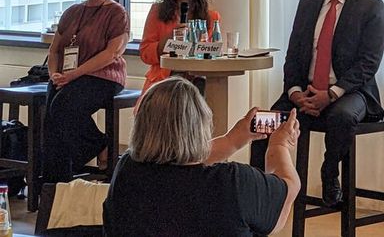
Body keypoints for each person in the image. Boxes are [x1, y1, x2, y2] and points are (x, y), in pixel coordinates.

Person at [250, 0, 384, 207]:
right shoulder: (308, 5)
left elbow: (369, 63)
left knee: (341, 117)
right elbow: (293, 57)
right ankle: (259, 192)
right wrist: (295, 93)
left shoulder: (370, 7)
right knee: (261, 122)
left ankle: (329, 172)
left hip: (351, 92)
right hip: (306, 92)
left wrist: (332, 94)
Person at [104, 77, 301, 236]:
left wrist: (231, 140)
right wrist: (279, 144)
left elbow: (177, 159)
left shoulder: (126, 170)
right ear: (201, 125)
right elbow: (288, 189)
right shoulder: (232, 182)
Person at [43, 0, 129, 182]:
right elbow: (55, 51)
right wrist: (54, 74)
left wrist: (74, 74)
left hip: (104, 76)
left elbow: (111, 53)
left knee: (63, 106)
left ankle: (101, 145)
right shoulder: (72, 12)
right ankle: (56, 183)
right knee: (50, 117)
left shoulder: (117, 13)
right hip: (69, 76)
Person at [139, 0, 221, 97]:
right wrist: (168, 40)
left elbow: (210, 54)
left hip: (197, 81)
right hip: (164, 81)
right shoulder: (157, 11)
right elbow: (145, 53)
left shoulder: (211, 17)